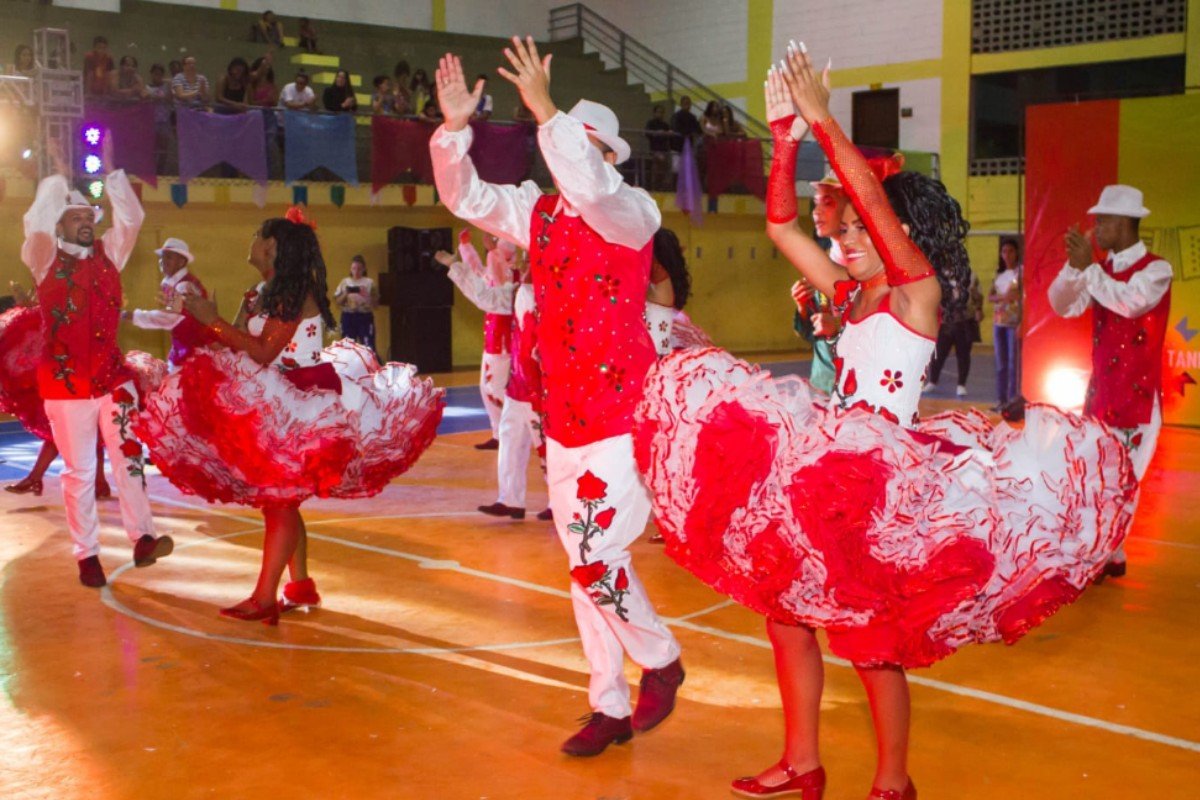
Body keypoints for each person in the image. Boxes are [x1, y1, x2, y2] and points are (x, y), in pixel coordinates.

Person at [634, 46, 1136, 800]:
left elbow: (869, 199)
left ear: (901, 235)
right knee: (785, 618)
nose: (850, 236)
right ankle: (802, 762)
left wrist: (823, 120)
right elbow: (778, 226)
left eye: (869, 229)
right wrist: (783, 141)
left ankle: (892, 782)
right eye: (852, 231)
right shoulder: (845, 293)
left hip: (885, 484)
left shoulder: (916, 297)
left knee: (871, 647)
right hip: (819, 473)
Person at [430, 38, 684, 757]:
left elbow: (595, 191)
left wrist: (545, 109)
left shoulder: (632, 213)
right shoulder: (538, 216)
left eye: (570, 142)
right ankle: (606, 701)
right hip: (564, 423)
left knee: (596, 560)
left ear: (602, 153)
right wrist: (455, 133)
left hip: (621, 420)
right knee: (585, 563)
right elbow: (467, 196)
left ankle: (661, 660)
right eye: (553, 141)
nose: (555, 157)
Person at [136, 208, 444, 624]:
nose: (250, 240)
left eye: (256, 234)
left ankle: (265, 597)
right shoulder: (265, 290)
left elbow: (263, 351)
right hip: (278, 391)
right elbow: (245, 345)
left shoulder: (291, 294)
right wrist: (202, 317)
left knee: (279, 500)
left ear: (271, 248)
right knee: (282, 497)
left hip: (300, 397)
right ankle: (299, 584)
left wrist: (214, 322)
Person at [21, 140, 173, 588]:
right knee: (81, 472)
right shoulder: (43, 258)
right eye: (77, 217)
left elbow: (132, 218)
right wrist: (60, 174)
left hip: (113, 379)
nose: (87, 222)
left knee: (129, 456)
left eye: (90, 216)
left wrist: (110, 171)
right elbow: (35, 223)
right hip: (65, 387)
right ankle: (87, 555)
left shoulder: (111, 255)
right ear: (60, 224)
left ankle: (143, 537)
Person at [1048, 184, 1171, 579]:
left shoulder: (1156, 270)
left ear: (1123, 224)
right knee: (1095, 480)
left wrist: (1090, 269)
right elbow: (1061, 304)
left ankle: (1101, 555)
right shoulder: (1098, 270)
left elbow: (1128, 301)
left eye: (1103, 220)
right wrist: (1075, 268)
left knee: (1123, 482)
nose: (1096, 228)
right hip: (1102, 396)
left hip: (1137, 401)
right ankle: (1110, 555)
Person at [436, 239, 552, 521]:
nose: (522, 266)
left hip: (542, 390)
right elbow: (484, 296)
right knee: (510, 440)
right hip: (518, 386)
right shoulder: (515, 293)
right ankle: (510, 500)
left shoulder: (555, 297)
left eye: (528, 261)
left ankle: (559, 502)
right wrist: (456, 266)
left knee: (547, 448)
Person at [440, 230, 515, 452]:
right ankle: (500, 434)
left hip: (503, 345)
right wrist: (466, 248)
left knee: (497, 389)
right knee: (488, 387)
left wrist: (457, 263)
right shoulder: (497, 283)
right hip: (494, 342)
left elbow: (480, 291)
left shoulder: (509, 287)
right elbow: (477, 272)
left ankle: (507, 435)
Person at [121, 238, 214, 372]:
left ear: (182, 262)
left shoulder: (184, 286)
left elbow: (170, 318)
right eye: (161, 257)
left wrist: (132, 316)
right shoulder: (176, 283)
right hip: (185, 351)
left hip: (191, 356)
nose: (162, 261)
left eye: (168, 257)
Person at [923, 267, 982, 398]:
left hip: (965, 319)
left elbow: (977, 296)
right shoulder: (940, 276)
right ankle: (933, 381)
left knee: (963, 354)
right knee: (939, 353)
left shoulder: (970, 275)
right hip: (946, 321)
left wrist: (978, 309)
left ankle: (961, 384)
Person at [988, 238, 1022, 409]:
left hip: (1013, 322)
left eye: (1010, 251)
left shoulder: (1020, 272)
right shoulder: (998, 275)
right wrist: (1003, 297)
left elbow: (1017, 296)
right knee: (1001, 364)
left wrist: (1003, 297)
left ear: (1016, 253)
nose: (1007, 255)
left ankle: (1011, 400)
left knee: (1012, 364)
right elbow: (990, 297)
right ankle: (1000, 399)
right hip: (998, 323)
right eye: (1004, 252)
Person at [332, 254, 378, 353]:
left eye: (359, 269)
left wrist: (366, 295)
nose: (356, 271)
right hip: (348, 317)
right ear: (350, 269)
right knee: (347, 347)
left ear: (364, 269)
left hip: (364, 317)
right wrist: (346, 293)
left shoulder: (370, 283)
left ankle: (370, 366)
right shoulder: (345, 282)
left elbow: (376, 304)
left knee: (368, 347)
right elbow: (337, 302)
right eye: (353, 268)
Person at [643, 105, 672, 191]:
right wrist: (656, 133)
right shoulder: (651, 123)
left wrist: (668, 133)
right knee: (656, 169)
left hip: (664, 150)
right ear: (654, 113)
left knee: (664, 169)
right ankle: (654, 188)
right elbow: (647, 133)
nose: (660, 114)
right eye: (658, 112)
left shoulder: (665, 125)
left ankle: (662, 188)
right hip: (655, 149)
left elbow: (669, 135)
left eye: (662, 112)